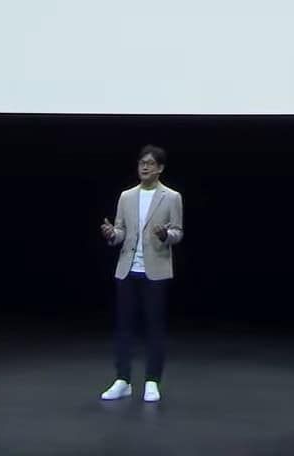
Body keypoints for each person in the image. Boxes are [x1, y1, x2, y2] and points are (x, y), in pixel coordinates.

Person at [98, 145, 184, 403]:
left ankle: (152, 381)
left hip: (155, 271)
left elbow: (178, 232)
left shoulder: (172, 197)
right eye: (141, 163)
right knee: (124, 327)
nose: (144, 167)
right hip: (127, 270)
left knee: (154, 328)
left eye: (150, 163)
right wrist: (112, 234)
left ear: (160, 168)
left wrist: (165, 235)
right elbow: (121, 231)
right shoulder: (126, 197)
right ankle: (122, 380)